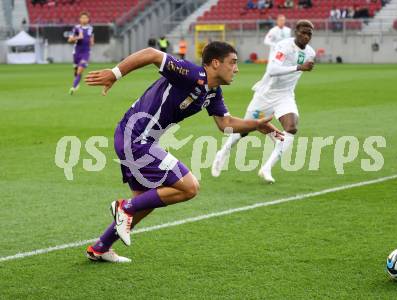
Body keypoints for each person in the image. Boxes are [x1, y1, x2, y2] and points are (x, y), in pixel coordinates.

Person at [83, 42, 284, 262]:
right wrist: (114, 74)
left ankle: (101, 247)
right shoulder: (190, 73)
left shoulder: (213, 91)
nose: (236, 68)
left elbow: (225, 123)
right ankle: (123, 207)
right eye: (233, 63)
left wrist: (255, 125)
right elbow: (151, 54)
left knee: (146, 200)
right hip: (136, 137)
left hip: (135, 137)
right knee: (189, 187)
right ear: (216, 63)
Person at [212, 20, 316, 183]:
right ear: (295, 32)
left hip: (285, 96)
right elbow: (272, 70)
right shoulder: (283, 46)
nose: (306, 36)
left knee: (291, 128)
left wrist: (300, 67)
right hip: (265, 95)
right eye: (303, 32)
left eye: (309, 33)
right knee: (243, 130)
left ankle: (266, 168)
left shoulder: (311, 53)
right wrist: (298, 67)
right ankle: (222, 152)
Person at [68, 12, 94, 95]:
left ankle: (73, 87)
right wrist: (77, 37)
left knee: (80, 70)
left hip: (85, 53)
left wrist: (91, 42)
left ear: (88, 19)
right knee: (76, 71)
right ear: (80, 19)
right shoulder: (76, 28)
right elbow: (70, 40)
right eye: (82, 18)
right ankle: (77, 82)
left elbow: (92, 40)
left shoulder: (90, 28)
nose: (84, 19)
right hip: (76, 52)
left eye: (85, 18)